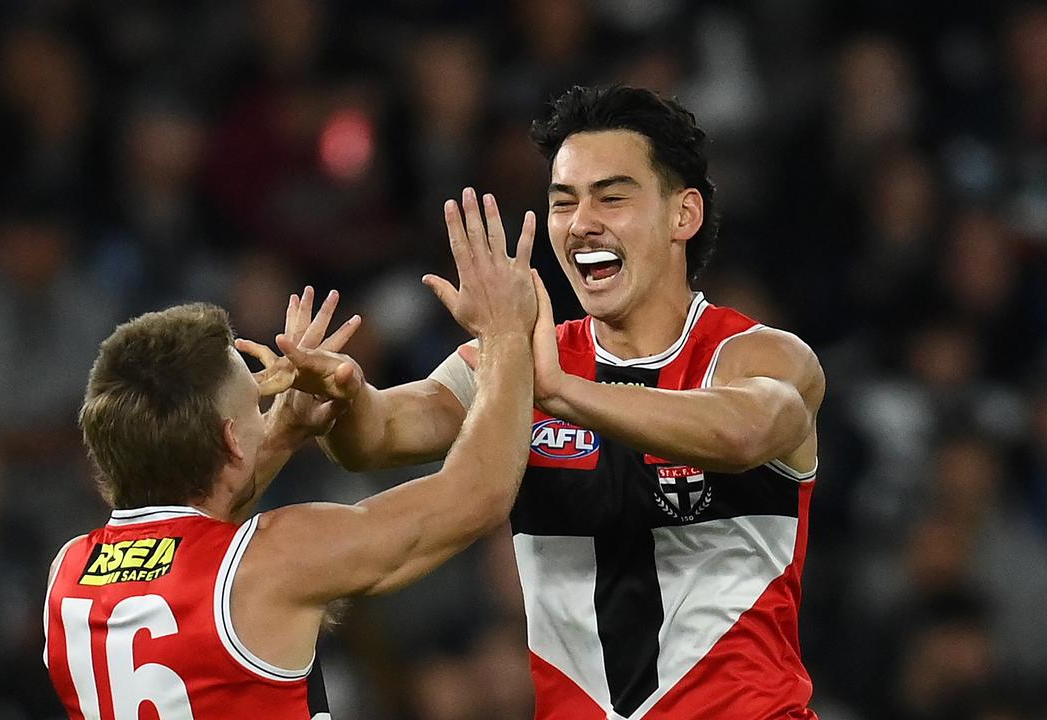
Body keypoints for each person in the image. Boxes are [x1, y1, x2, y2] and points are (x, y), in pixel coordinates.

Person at [283, 85, 826, 719]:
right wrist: (343, 395)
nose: (582, 222)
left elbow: (746, 432)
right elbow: (376, 438)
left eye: (612, 197)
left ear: (684, 215)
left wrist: (558, 390)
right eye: (563, 202)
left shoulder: (757, 357)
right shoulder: (523, 363)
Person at [42, 198, 539, 719]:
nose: (268, 407)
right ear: (232, 440)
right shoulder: (275, 557)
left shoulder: (66, 574)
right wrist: (503, 330)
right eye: (256, 402)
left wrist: (283, 431)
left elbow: (187, 545)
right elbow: (476, 497)